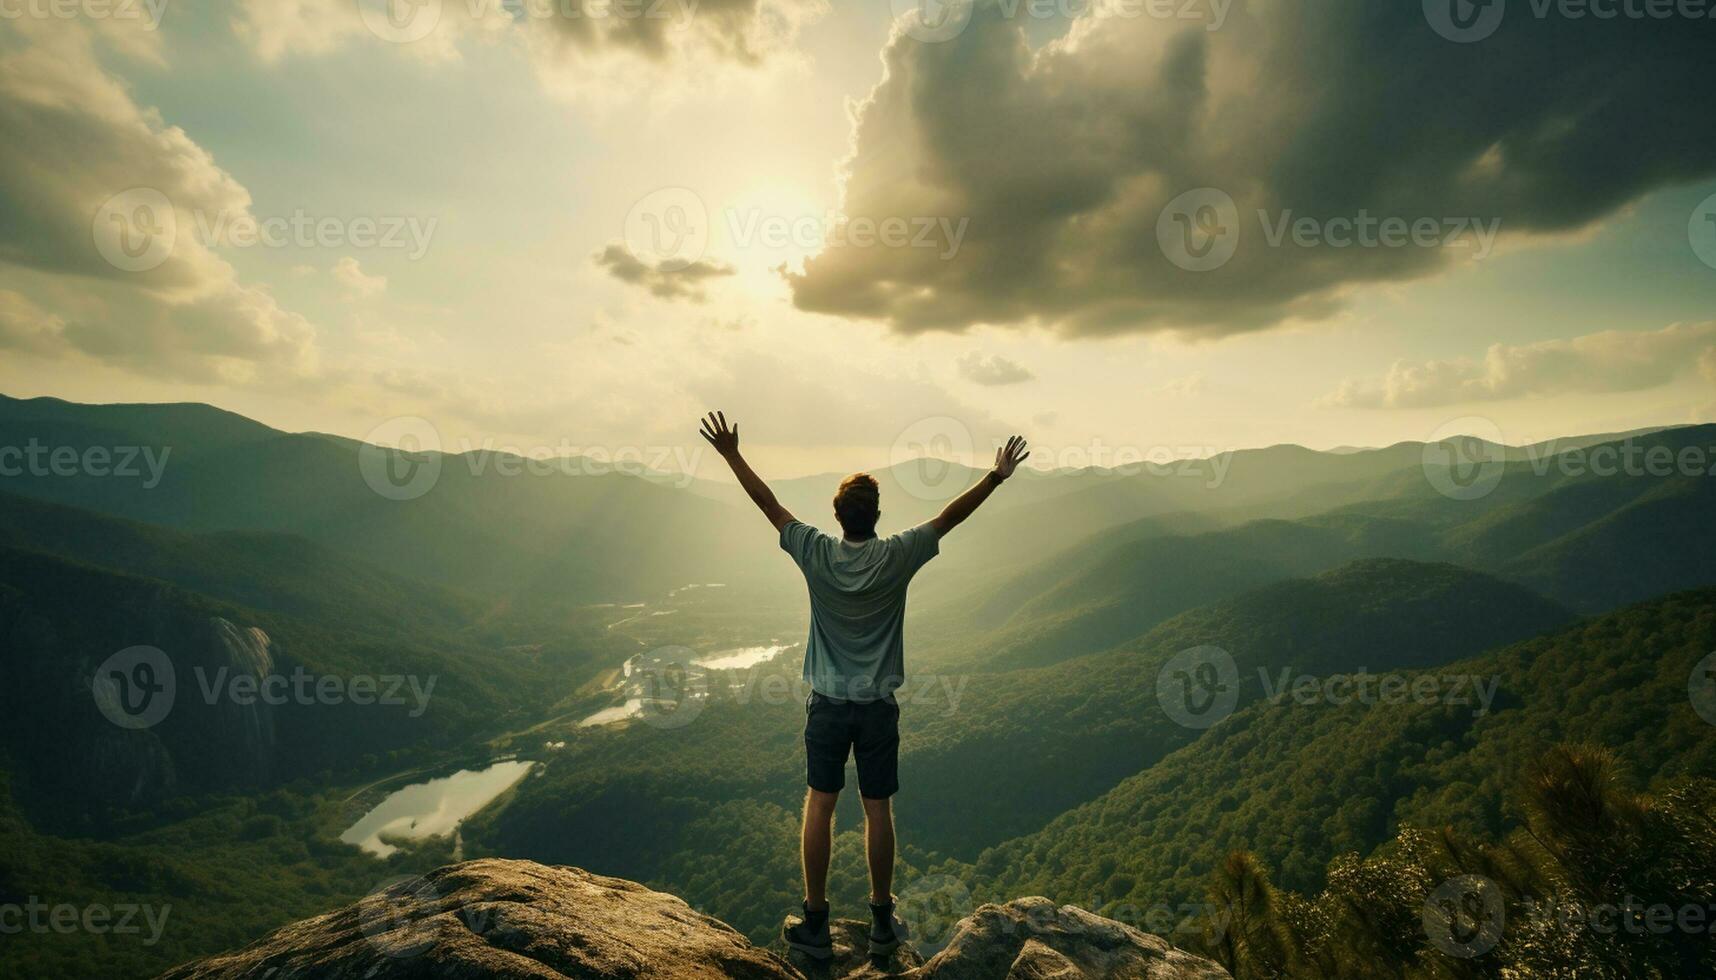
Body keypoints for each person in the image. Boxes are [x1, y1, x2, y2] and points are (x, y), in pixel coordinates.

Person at [697, 412, 1029, 959]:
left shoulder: (816, 552)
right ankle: (880, 922)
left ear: (836, 515)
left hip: (827, 707)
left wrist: (731, 454)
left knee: (819, 805)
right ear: (876, 515)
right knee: (879, 810)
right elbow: (949, 518)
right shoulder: (897, 555)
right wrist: (995, 477)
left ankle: (816, 926)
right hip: (878, 708)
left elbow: (769, 504)